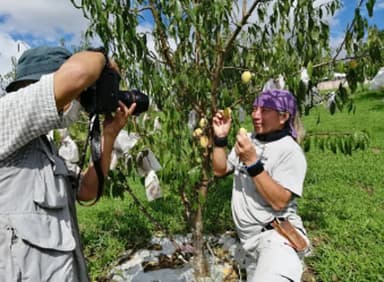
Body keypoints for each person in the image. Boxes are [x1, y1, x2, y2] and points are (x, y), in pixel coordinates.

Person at [0, 46, 136, 281]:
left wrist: (109, 136)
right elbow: (80, 72)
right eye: (78, 94)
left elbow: (86, 190)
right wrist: (103, 60)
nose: (79, 100)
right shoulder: (6, 117)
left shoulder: (45, 148)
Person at [212, 89, 310, 282]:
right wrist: (220, 139)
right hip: (250, 243)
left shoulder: (290, 151)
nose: (255, 115)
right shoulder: (250, 140)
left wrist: (252, 162)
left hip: (276, 238)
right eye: (254, 108)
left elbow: (280, 201)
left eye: (264, 110)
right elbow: (220, 170)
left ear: (283, 117)